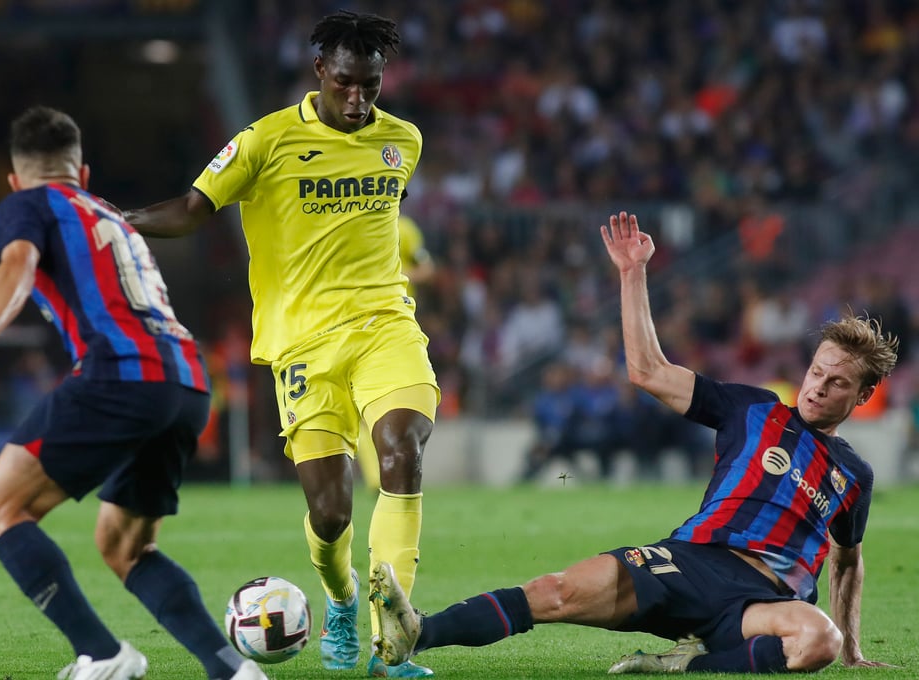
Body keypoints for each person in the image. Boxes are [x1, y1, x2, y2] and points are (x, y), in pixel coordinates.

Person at [370, 212, 897, 674]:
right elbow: (648, 371)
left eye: (837, 382)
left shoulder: (854, 475)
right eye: (816, 371)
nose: (818, 387)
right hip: (690, 564)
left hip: (763, 605)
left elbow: (847, 561)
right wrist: (632, 273)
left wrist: (851, 650)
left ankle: (688, 663)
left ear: (863, 394)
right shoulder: (753, 408)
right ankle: (417, 631)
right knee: (555, 592)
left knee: (818, 640)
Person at [123, 11, 439, 678]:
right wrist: (117, 221)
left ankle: (392, 646)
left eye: (371, 86)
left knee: (401, 451)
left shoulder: (402, 140)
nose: (357, 99)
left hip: (385, 326)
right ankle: (342, 599)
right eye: (346, 82)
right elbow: (192, 209)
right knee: (330, 512)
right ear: (320, 70)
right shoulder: (264, 140)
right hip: (301, 346)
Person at [0, 105, 266, 680]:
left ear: (15, 179)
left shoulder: (29, 203)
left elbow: (17, 263)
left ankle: (101, 652)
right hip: (187, 379)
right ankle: (233, 670)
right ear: (83, 174)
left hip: (121, 373)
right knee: (127, 547)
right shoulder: (107, 214)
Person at [356, 213, 434, 490]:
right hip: (358, 319)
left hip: (398, 320)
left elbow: (427, 269)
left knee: (396, 399)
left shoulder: (405, 228)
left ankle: (385, 472)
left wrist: (394, 275)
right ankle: (376, 477)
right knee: (361, 407)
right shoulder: (351, 220)